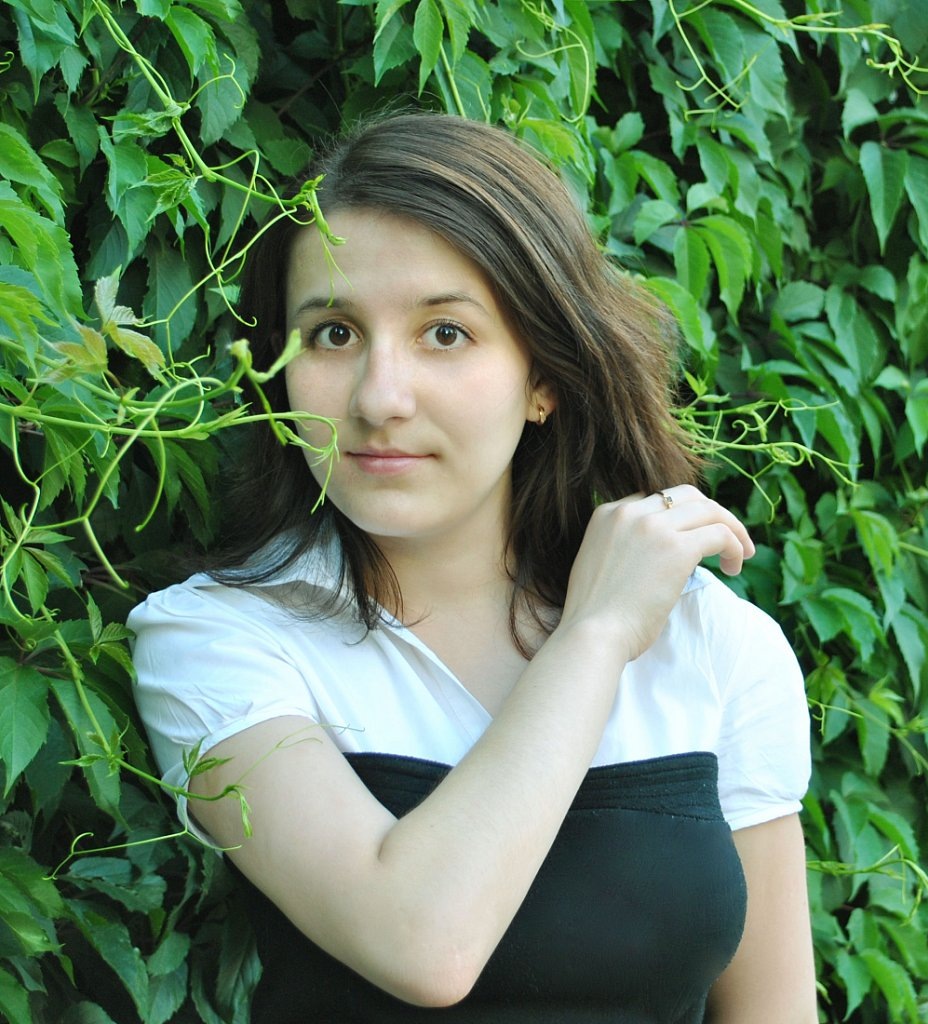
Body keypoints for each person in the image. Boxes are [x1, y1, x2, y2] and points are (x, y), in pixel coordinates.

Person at [129, 112, 817, 1023]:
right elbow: (425, 944)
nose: (380, 397)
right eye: (332, 334)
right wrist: (596, 634)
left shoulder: (712, 643)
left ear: (545, 378)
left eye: (445, 334)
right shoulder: (216, 638)